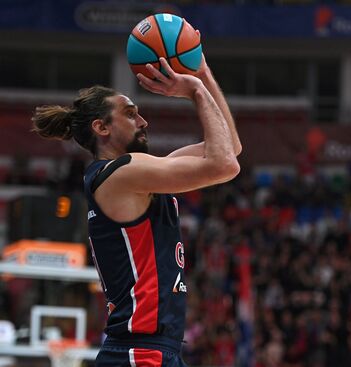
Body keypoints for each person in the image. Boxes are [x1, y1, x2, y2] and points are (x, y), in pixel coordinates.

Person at [32, 56, 241, 366]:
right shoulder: (121, 173)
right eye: (130, 114)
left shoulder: (137, 174)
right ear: (101, 127)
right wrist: (195, 90)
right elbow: (224, 165)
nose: (143, 122)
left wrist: (203, 74)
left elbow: (229, 147)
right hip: (138, 353)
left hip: (151, 350)